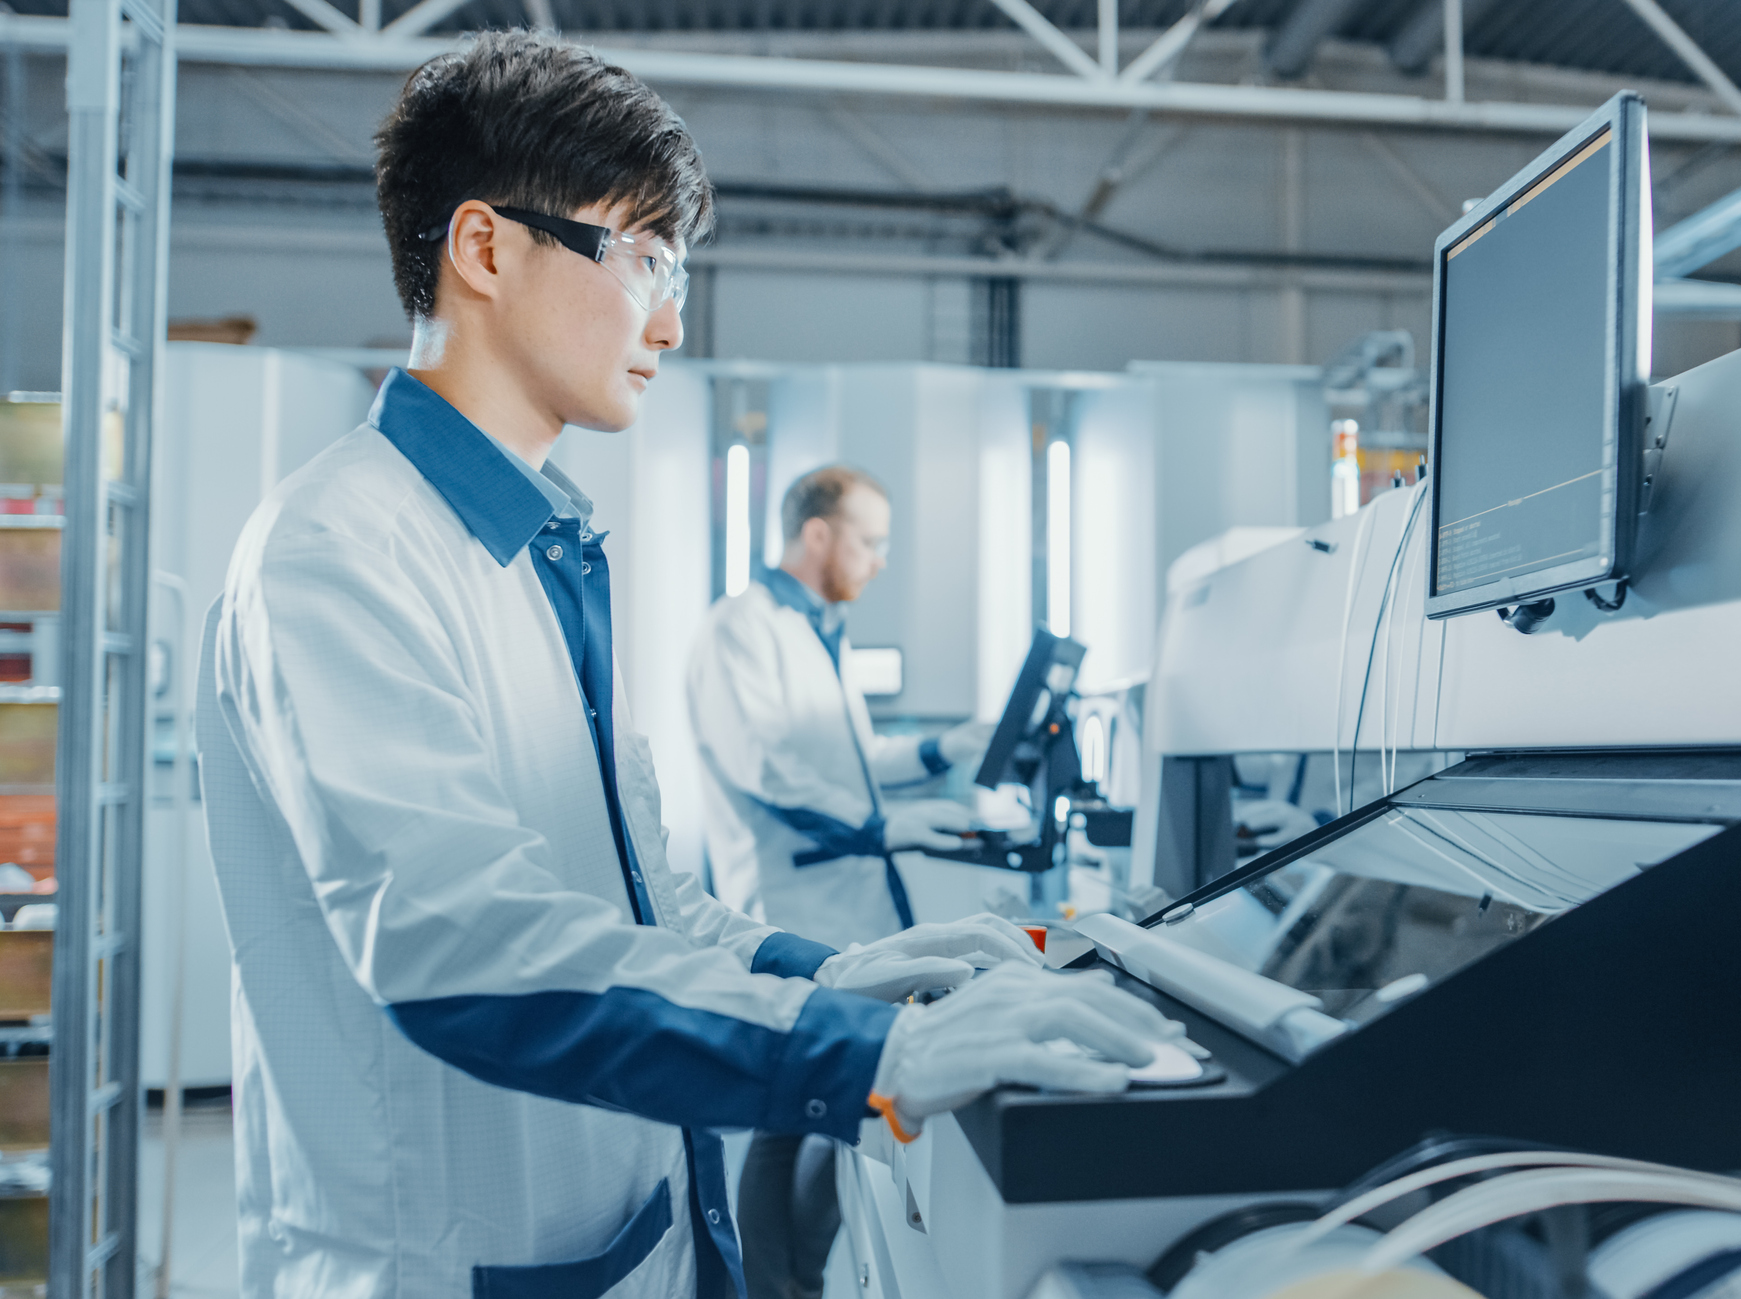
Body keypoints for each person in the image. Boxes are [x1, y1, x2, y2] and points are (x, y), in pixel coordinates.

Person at [195, 31, 1175, 1298]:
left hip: (631, 1234)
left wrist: (826, 973)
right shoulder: (334, 552)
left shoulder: (546, 552)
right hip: (453, 1264)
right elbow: (470, 950)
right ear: (485, 248)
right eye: (647, 259)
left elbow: (638, 905)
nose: (669, 318)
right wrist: (859, 1050)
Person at [686, 464, 996, 1298]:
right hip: (788, 901)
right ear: (817, 534)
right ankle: (777, 1287)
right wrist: (882, 826)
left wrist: (943, 748)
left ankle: (800, 1281)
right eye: (871, 540)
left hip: (847, 900)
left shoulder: (823, 630)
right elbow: (769, 771)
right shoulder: (739, 628)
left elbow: (855, 765)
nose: (881, 559)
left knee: (825, 1106)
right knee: (786, 1117)